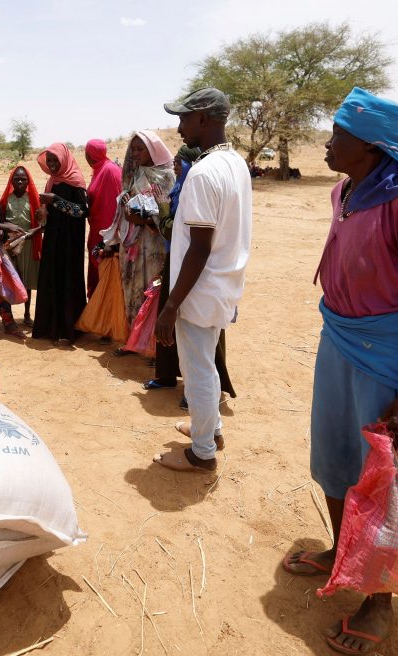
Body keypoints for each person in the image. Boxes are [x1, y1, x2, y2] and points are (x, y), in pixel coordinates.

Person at [281, 87, 398, 656]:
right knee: (335, 458)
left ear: (372, 146)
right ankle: (345, 555)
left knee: (386, 479)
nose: (328, 142)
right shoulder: (346, 191)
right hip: (338, 342)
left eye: (338, 134)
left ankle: (379, 600)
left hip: (389, 359)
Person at [153, 87, 252, 473]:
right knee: (205, 364)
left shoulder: (202, 173)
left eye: (184, 118)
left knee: (196, 371)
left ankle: (202, 453)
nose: (179, 127)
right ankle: (212, 429)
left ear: (205, 119)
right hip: (220, 285)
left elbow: (199, 248)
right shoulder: (234, 164)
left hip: (198, 291)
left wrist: (171, 305)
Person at [144, 145, 237, 405]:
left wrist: (162, 209)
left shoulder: (195, 187)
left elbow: (175, 232)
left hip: (193, 266)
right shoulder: (181, 188)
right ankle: (168, 376)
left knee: (200, 331)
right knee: (171, 321)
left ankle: (202, 394)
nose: (174, 166)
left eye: (179, 162)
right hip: (175, 262)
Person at [102, 131, 174, 354]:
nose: (134, 153)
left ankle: (155, 347)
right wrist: (125, 203)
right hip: (133, 246)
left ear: (153, 150)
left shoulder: (167, 176)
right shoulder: (134, 174)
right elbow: (129, 203)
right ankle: (134, 341)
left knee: (153, 291)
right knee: (132, 290)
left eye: (140, 148)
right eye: (132, 149)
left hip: (155, 246)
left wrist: (144, 219)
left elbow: (169, 212)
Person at [32, 143, 89, 345]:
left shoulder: (75, 181)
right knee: (51, 279)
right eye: (49, 161)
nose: (52, 164)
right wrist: (43, 213)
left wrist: (55, 200)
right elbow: (49, 212)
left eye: (55, 160)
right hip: (53, 239)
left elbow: (82, 211)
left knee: (67, 280)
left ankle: (69, 328)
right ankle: (50, 327)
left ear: (64, 159)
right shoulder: (52, 182)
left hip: (70, 242)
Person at [0, 165, 43, 327]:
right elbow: (1, 221)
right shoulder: (6, 200)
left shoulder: (34, 200)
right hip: (10, 246)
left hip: (29, 244)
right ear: (12, 181)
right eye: (17, 179)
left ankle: (27, 314)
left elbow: (42, 223)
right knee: (10, 278)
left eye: (23, 179)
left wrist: (35, 231)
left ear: (28, 182)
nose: (20, 181)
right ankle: (9, 317)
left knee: (27, 281)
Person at [84, 139, 122, 297]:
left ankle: (103, 315)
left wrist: (111, 238)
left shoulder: (110, 170)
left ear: (89, 154)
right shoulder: (99, 170)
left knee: (106, 271)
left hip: (107, 233)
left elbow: (117, 204)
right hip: (97, 229)